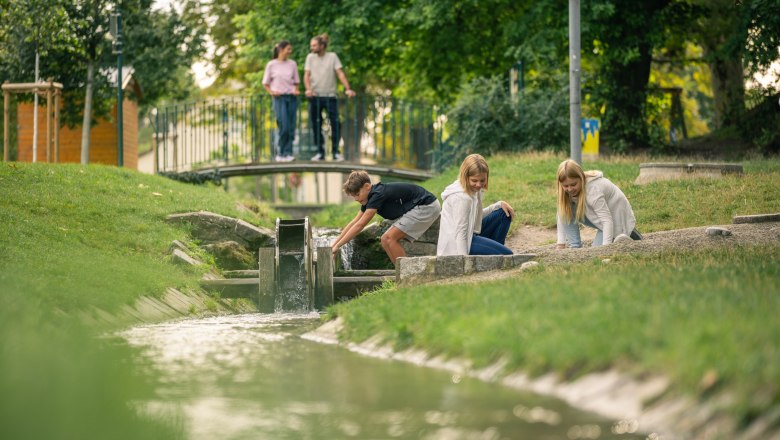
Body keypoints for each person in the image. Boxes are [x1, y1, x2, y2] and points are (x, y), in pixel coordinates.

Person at [332, 170, 441, 265]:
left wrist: (339, 246)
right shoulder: (369, 198)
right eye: (353, 196)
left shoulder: (377, 195)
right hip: (423, 205)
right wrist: (334, 245)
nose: (355, 199)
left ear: (367, 186)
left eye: (357, 194)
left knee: (389, 238)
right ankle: (401, 273)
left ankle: (407, 274)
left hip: (426, 205)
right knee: (385, 240)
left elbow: (360, 225)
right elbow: (354, 222)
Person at [437, 154, 515, 256]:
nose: (479, 184)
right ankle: (495, 258)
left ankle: (493, 258)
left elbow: (476, 217)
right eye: (474, 180)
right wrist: (464, 262)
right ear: (465, 177)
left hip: (471, 235)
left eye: (482, 180)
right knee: (507, 255)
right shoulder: (462, 198)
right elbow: (460, 232)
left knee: (503, 213)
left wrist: (499, 205)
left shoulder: (474, 190)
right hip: (458, 246)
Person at [556, 159, 642, 249]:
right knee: (566, 208)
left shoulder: (593, 190)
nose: (570, 189)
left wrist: (606, 248)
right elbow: (562, 214)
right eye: (566, 186)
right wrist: (560, 244)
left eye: (573, 184)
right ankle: (575, 247)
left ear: (581, 178)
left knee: (596, 251)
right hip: (600, 220)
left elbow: (607, 220)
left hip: (615, 219)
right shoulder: (564, 191)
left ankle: (624, 233)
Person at [304, 33, 356, 162]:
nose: (312, 48)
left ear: (322, 45)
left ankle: (335, 152)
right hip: (315, 96)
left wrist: (348, 88)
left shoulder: (332, 57)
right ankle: (320, 152)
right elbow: (306, 75)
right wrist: (308, 89)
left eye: (314, 45)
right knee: (316, 125)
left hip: (330, 96)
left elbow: (340, 73)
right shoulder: (310, 57)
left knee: (335, 123)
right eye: (311, 45)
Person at [262, 40, 300, 162]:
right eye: (288, 49)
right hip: (279, 99)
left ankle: (288, 153)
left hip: (291, 98)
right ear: (281, 50)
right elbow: (266, 83)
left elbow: (296, 82)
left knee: (291, 127)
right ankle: (280, 153)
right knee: (283, 126)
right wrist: (272, 92)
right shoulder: (271, 64)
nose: (290, 51)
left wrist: (296, 90)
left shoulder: (292, 64)